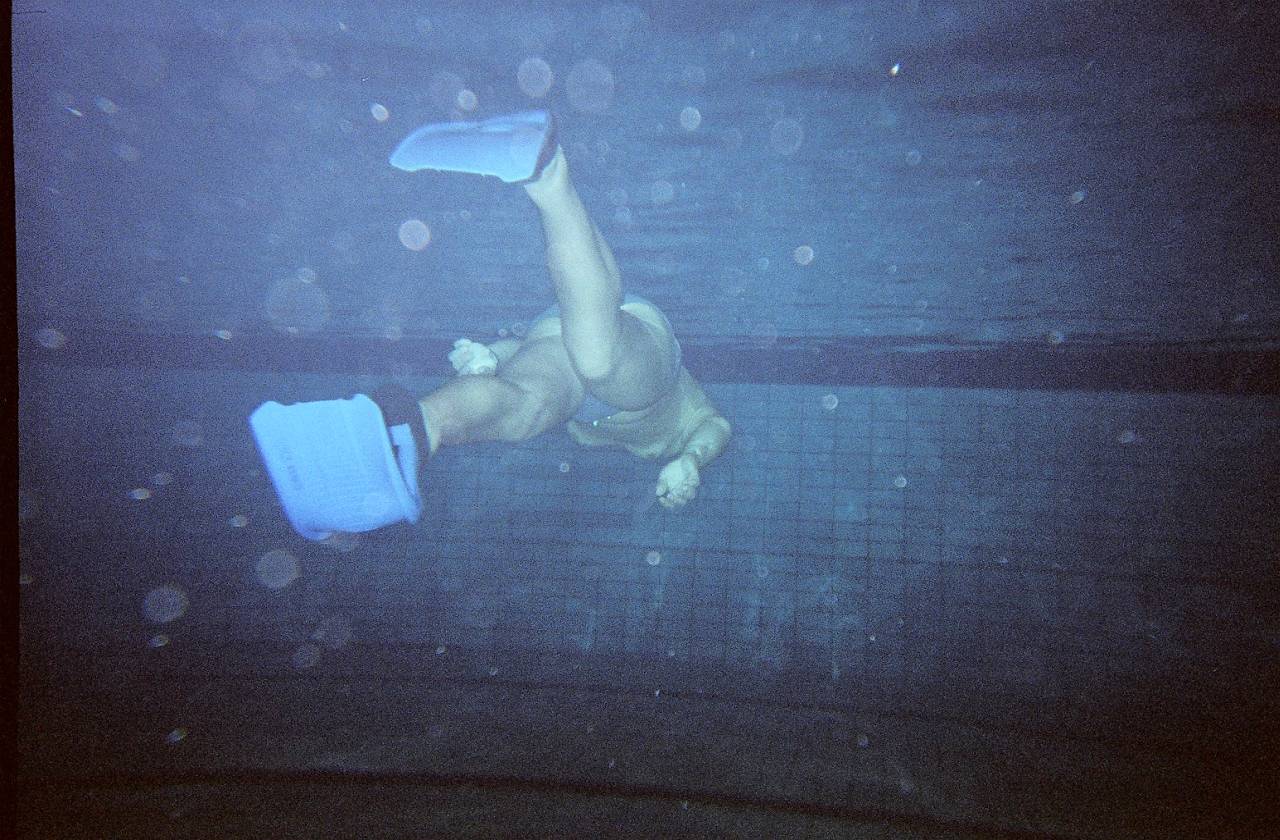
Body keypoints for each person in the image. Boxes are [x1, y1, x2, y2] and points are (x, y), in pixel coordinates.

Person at [250, 112, 730, 541]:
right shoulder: (690, 411)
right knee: (599, 361)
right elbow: (716, 427)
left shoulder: (619, 436)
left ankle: (405, 430)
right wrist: (691, 459)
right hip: (634, 355)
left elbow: (525, 348)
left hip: (572, 379)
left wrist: (491, 358)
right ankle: (547, 173)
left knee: (525, 413)